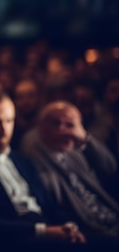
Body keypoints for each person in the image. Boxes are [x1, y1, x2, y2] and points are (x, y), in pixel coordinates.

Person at [0, 90, 87, 251]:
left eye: (9, 121)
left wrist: (69, 226)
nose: (4, 130)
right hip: (10, 241)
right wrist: (44, 231)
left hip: (48, 232)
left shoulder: (21, 160)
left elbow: (49, 205)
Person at [20, 101, 119, 245]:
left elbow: (110, 168)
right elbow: (51, 194)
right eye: (56, 123)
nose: (63, 130)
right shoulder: (33, 147)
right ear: (41, 126)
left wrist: (85, 138)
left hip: (111, 216)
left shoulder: (74, 151)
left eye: (70, 125)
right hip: (89, 228)